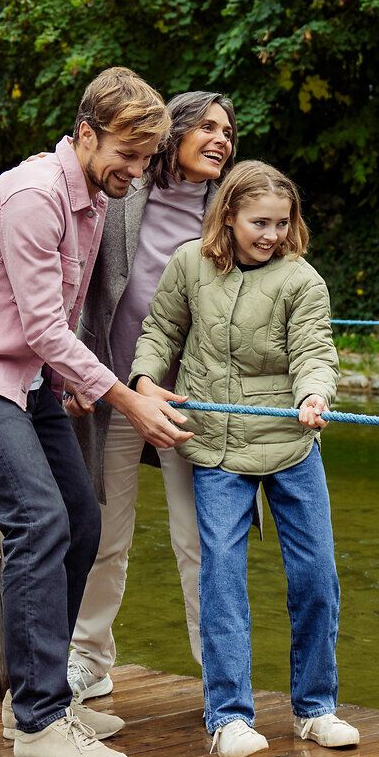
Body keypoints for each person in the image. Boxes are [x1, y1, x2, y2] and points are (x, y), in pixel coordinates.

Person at [0, 67, 192, 757]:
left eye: (144, 159)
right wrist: (123, 398)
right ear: (86, 133)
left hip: (25, 374)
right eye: (125, 155)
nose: (134, 172)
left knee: (82, 521)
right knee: (38, 522)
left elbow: (54, 318)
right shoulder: (36, 196)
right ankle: (39, 728)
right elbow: (41, 322)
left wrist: (66, 381)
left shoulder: (92, 199)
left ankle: (30, 699)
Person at [129, 161, 361, 757]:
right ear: (227, 215)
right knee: (222, 578)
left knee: (316, 576)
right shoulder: (188, 264)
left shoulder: (302, 281)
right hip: (217, 447)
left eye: (282, 224)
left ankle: (316, 709)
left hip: (290, 443)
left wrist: (314, 394)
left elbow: (316, 352)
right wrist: (145, 379)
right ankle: (229, 718)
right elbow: (160, 330)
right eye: (260, 222)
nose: (272, 235)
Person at [67, 91, 237, 701]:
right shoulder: (121, 193)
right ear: (174, 133)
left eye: (228, 131)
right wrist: (72, 373)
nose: (221, 139)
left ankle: (219, 675)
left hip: (195, 399)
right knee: (103, 532)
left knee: (203, 539)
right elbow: (79, 278)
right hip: (113, 386)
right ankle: (89, 658)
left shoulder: (232, 208)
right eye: (208, 127)